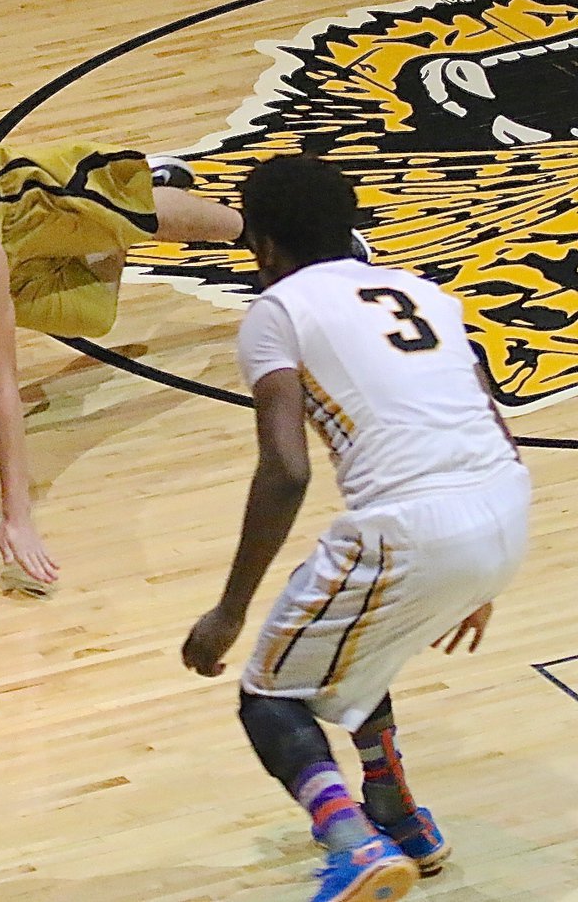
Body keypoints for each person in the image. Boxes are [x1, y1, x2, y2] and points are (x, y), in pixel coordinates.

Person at [180, 154, 530, 902]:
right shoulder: (423, 293)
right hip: (503, 504)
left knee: (270, 695)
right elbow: (488, 418)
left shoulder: (277, 312)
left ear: (264, 246)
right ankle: (398, 815)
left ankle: (350, 842)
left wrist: (230, 610)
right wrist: (478, 568)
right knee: (352, 645)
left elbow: (287, 469)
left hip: (413, 525)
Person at [0, 138, 246, 586]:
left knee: (131, 217)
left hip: (17, 207)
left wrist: (17, 516)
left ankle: (251, 228)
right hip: (1, 265)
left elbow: (0, 386)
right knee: (91, 318)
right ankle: (114, 226)